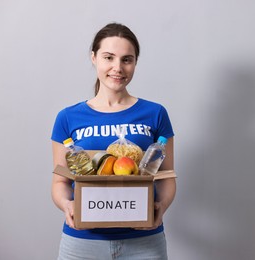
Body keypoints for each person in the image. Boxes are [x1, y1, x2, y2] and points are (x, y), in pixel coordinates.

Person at [51, 22, 176, 259]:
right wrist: (67, 205)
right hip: (83, 241)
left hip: (144, 240)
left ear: (135, 63)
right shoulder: (67, 117)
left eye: (126, 60)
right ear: (94, 58)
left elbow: (167, 175)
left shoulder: (155, 113)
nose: (117, 67)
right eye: (109, 57)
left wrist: (162, 207)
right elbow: (60, 182)